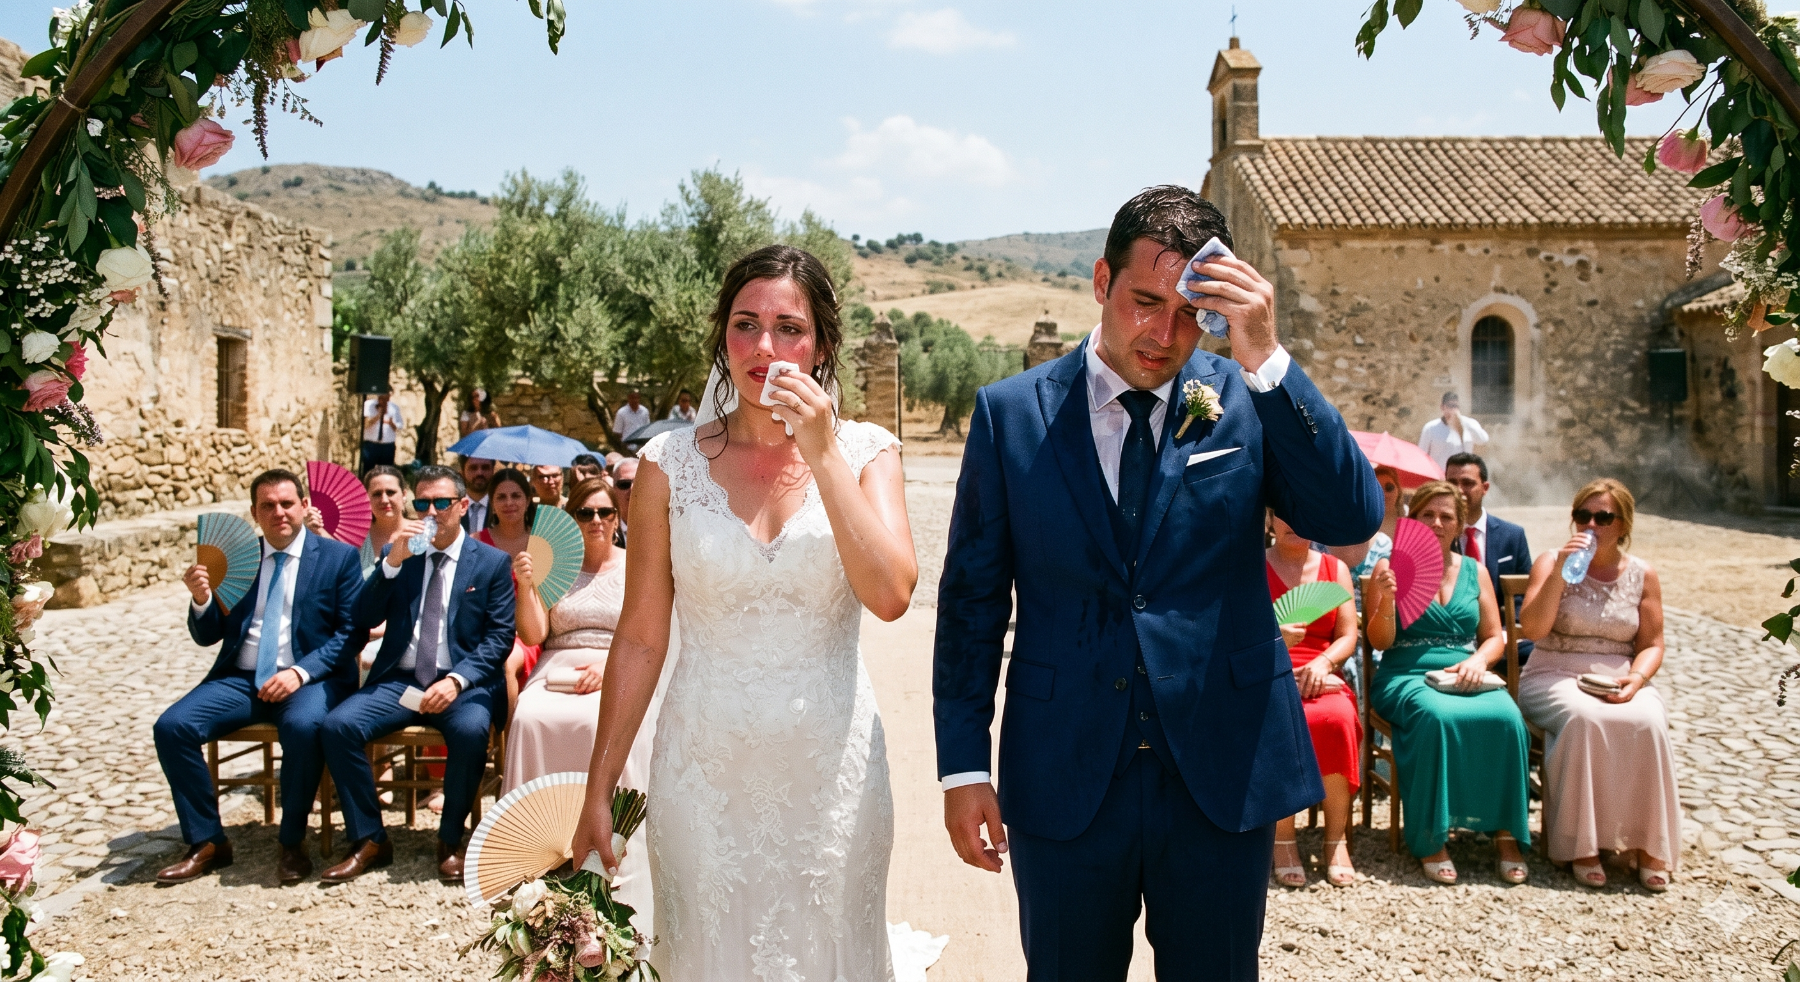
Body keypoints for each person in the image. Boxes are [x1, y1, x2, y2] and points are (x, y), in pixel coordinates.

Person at [933, 186, 1382, 979]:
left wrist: (1266, 356)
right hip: (1064, 773)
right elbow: (972, 602)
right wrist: (965, 768)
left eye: (1189, 315)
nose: (1164, 335)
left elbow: (1351, 516)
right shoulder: (1011, 416)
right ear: (1102, 282)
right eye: (1145, 303)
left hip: (1219, 770)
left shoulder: (1246, 396)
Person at [569, 244, 919, 978]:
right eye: (745, 324)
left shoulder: (866, 453)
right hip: (703, 776)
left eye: (789, 327)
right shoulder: (668, 464)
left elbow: (890, 594)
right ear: (721, 338)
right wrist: (599, 785)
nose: (765, 347)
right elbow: (638, 636)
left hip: (832, 778)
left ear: (821, 342)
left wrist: (822, 453)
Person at [153, 469, 364, 885]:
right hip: (241, 677)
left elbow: (351, 633)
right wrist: (201, 600)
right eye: (267, 506)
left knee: (303, 727)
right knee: (172, 727)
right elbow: (208, 634)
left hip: (311, 679)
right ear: (254, 512)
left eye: (287, 503)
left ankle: (292, 843)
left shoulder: (338, 558)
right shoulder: (238, 560)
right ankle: (208, 841)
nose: (278, 513)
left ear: (305, 506)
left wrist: (300, 673)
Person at [319, 464, 516, 884]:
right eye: (422, 502)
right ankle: (369, 837)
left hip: (462, 681)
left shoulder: (492, 563)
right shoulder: (403, 555)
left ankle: (449, 840)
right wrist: (389, 564)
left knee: (469, 731)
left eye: (441, 502)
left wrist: (456, 680)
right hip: (400, 678)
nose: (431, 511)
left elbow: (499, 638)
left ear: (462, 506)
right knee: (337, 726)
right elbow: (363, 615)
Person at [504, 480, 658, 926]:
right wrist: (528, 587)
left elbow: (647, 633)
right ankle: (535, 845)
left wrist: (611, 667)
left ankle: (617, 841)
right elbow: (534, 635)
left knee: (597, 723)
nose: (596, 521)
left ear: (617, 517)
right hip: (559, 664)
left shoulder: (637, 565)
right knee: (531, 718)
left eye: (605, 512)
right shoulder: (555, 565)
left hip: (619, 662)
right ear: (573, 518)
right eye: (586, 513)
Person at [1366, 480, 1531, 885]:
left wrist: (1477, 660)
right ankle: (1431, 838)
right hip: (1405, 672)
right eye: (1428, 514)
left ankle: (1506, 833)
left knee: (1508, 718)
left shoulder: (1475, 571)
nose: (1437, 523)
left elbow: (1495, 636)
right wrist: (1386, 602)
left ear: (1460, 525)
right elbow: (1379, 641)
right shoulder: (1389, 568)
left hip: (1465, 670)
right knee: (1437, 717)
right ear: (1412, 519)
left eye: (1447, 516)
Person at [1517, 478, 1677, 892]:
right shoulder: (1552, 561)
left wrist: (1637, 678)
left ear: (1623, 524)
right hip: (1553, 669)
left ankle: (1646, 843)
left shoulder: (1643, 574)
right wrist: (1558, 576)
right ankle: (1580, 845)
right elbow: (1532, 629)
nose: (1591, 524)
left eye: (1603, 516)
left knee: (1648, 720)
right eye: (1582, 515)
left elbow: (1653, 645)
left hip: (1618, 672)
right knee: (1585, 717)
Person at [1265, 514, 1360, 889]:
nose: (1295, 521)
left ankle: (1336, 838)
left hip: (1323, 674)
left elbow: (1348, 633)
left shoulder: (1335, 569)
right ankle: (1282, 838)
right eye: (1283, 513)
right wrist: (1274, 640)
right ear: (1270, 520)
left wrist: (1324, 662)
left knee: (1336, 719)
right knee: (1278, 719)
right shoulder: (1250, 566)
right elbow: (1233, 630)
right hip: (1269, 673)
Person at [1445, 451, 1534, 662]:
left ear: (1485, 488)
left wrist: (1507, 631)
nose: (1459, 490)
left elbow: (1524, 595)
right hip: (1452, 633)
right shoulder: (1437, 535)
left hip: (1503, 632)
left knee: (1533, 653)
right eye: (1452, 482)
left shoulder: (1512, 536)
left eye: (1467, 483)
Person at [480, 468, 543, 716]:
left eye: (516, 496)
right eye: (501, 497)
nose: (509, 503)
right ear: (492, 504)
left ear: (527, 500)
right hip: (482, 630)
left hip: (527, 633)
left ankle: (507, 746)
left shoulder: (543, 544)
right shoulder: (475, 541)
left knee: (506, 661)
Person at [1417, 391, 1488, 470]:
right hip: (1440, 476)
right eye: (1450, 406)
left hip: (1462, 475)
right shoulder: (1430, 428)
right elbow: (1422, 454)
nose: (1453, 409)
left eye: (1456, 406)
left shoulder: (1469, 424)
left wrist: (1462, 422)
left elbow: (1483, 440)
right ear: (1442, 407)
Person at [361, 392, 404, 474]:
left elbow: (399, 426)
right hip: (371, 444)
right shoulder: (369, 405)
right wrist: (379, 415)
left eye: (386, 399)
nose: (384, 401)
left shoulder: (394, 408)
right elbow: (365, 425)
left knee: (386, 471)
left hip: (387, 445)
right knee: (368, 471)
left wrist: (391, 423)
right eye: (382, 399)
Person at [461, 456, 496, 534]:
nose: (479, 473)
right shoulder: (453, 507)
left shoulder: (501, 508)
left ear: (493, 470)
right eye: (473, 468)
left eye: (485, 468)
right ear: (463, 472)